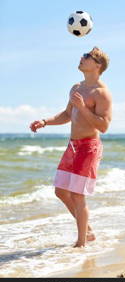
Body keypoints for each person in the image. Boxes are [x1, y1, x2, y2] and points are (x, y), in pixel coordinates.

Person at [30, 47, 112, 247]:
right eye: (83, 55)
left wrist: (83, 107)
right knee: (61, 191)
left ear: (97, 65)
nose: (82, 58)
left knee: (77, 194)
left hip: (89, 146)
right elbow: (67, 115)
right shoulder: (76, 87)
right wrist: (45, 121)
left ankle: (81, 243)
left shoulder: (101, 93)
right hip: (73, 146)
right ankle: (88, 231)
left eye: (87, 56)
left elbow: (103, 126)